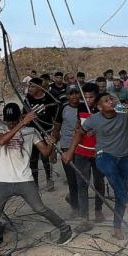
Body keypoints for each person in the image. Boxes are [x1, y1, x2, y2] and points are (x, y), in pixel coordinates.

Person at [0, 103, 73, 247]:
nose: (11, 124)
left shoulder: (31, 131)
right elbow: (2, 141)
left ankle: (65, 229)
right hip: (2, 179)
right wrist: (21, 124)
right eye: (9, 121)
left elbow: (45, 152)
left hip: (24, 178)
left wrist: (51, 142)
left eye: (14, 120)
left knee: (39, 208)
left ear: (19, 117)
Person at [74, 92, 128, 240]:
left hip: (123, 157)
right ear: (99, 107)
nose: (110, 101)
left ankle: (117, 228)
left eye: (112, 99)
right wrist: (70, 152)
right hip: (104, 154)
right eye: (106, 100)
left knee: (121, 190)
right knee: (110, 171)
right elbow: (80, 133)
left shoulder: (122, 112)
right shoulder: (94, 120)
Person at [62, 83, 106, 231]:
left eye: (91, 97)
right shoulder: (80, 107)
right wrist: (78, 128)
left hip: (99, 151)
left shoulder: (104, 106)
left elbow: (124, 113)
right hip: (81, 151)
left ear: (97, 95)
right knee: (82, 184)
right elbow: (78, 126)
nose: (88, 100)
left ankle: (98, 210)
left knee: (99, 181)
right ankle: (84, 219)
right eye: (85, 96)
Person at [53, 86, 84, 217]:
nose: (74, 96)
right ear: (67, 96)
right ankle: (75, 207)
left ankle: (81, 204)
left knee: (82, 178)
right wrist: (53, 150)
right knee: (71, 178)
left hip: (82, 147)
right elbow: (56, 128)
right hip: (66, 146)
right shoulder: (63, 108)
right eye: (71, 94)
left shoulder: (84, 107)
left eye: (77, 93)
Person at [24, 78, 59, 191]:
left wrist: (54, 137)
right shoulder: (27, 100)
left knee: (45, 157)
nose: (30, 89)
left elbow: (56, 119)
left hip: (46, 132)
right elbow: (23, 116)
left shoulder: (49, 99)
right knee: (33, 159)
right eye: (29, 87)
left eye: (33, 86)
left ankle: (49, 179)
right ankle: (35, 183)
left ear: (40, 87)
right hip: (32, 133)